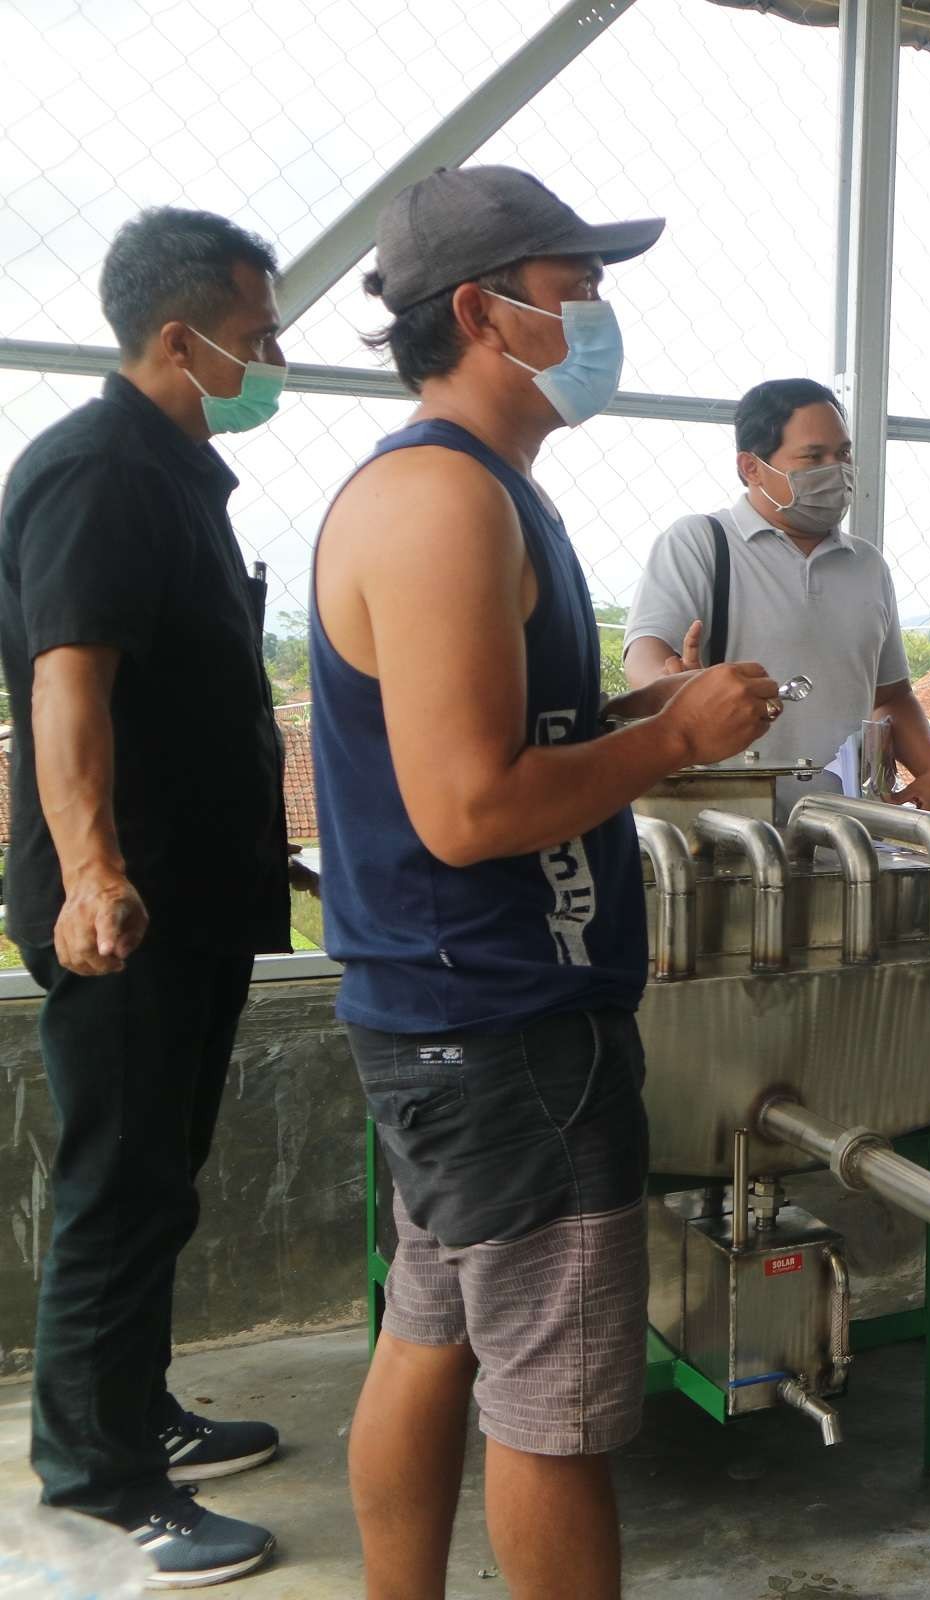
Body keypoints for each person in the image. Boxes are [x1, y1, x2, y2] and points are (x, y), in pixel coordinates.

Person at [311, 166, 780, 1598]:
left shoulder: (478, 493)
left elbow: (510, 749)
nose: (598, 319)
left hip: (447, 1018)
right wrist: (673, 748)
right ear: (482, 311)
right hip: (506, 1024)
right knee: (553, 1411)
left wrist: (650, 720)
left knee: (434, 1332)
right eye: (576, 292)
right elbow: (468, 809)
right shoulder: (447, 504)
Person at [0, 207, 296, 1586]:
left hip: (190, 895)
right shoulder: (99, 471)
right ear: (179, 338)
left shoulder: (172, 472)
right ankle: (103, 1476)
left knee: (159, 1178)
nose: (274, 358)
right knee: (119, 1184)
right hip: (124, 913)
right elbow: (72, 681)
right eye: (259, 334)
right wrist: (93, 871)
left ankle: (138, 1415)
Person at [624, 378, 930, 815]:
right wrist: (677, 690)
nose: (836, 470)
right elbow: (644, 652)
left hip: (848, 833)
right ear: (751, 467)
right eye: (814, 457)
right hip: (728, 826)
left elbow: (890, 694)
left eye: (844, 454)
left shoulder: (867, 566)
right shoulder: (702, 543)